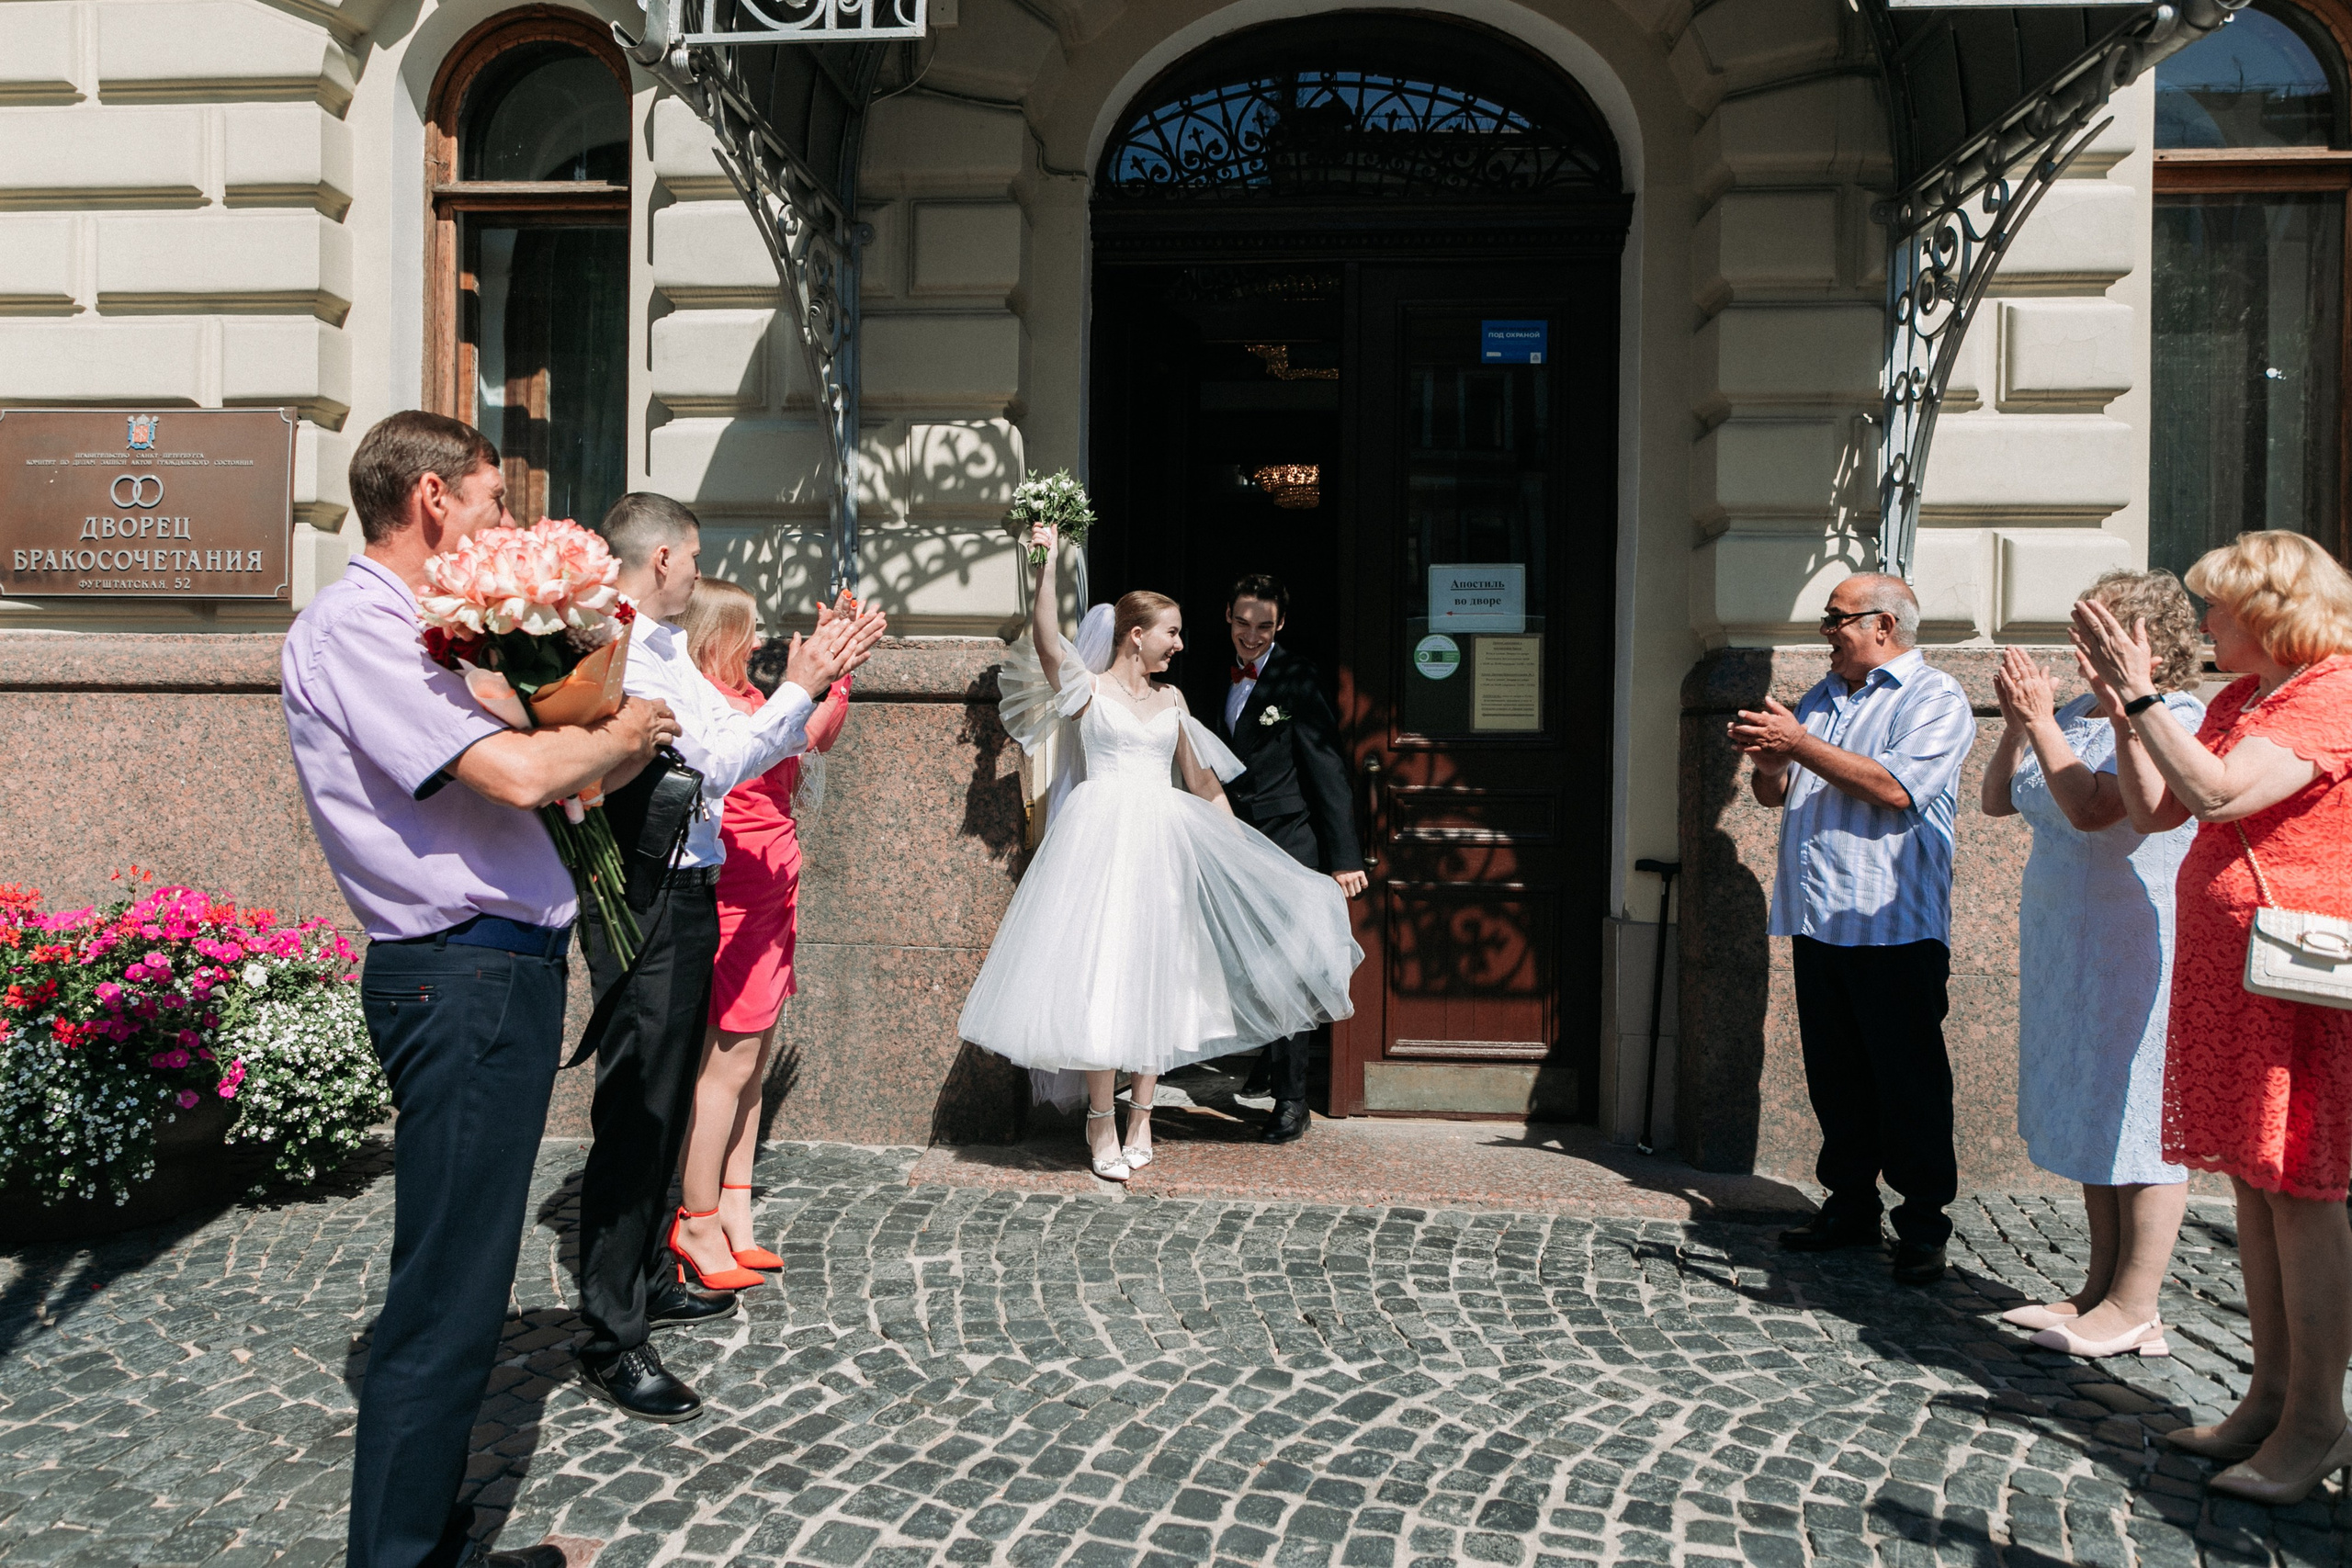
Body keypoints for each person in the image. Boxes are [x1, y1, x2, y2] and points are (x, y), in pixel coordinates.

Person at [284, 412, 681, 1568]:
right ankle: (401, 1556)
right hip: (457, 970)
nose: (507, 521)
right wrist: (627, 733)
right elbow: (513, 774)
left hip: (489, 967)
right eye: (493, 500)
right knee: (449, 1290)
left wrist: (591, 721)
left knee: (469, 1273)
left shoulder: (429, 630)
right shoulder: (357, 627)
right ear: (431, 501)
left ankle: (431, 1533)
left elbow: (530, 750)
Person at [573, 494, 885, 1424]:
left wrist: (815, 683)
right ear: (663, 559)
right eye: (696, 557)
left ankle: (646, 1279)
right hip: (646, 891)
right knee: (638, 1107)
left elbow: (748, 748)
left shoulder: (667, 647)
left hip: (690, 887)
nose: (700, 574)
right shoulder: (621, 648)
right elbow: (710, 763)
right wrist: (801, 682)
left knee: (666, 1100)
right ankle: (610, 1335)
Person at [2075, 530, 2352, 1505]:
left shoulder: (2331, 692)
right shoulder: (2246, 698)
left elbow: (2221, 795)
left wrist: (2143, 696)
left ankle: (2316, 1421)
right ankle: (2268, 1397)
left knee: (2300, 1189)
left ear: (2271, 614)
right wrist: (2125, 711)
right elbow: (2157, 809)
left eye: (2217, 606)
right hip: (2232, 979)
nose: (2203, 622)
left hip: (2295, 983)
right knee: (2251, 1184)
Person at [958, 522, 1362, 1179]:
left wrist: (1249, 857)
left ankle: (1141, 1115)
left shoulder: (1174, 699)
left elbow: (1203, 784)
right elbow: (1047, 639)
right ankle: (1100, 1119)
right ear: (1136, 635)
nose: (1180, 643)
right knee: (1104, 975)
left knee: (1160, 974)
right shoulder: (1088, 691)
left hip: (1162, 851)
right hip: (1100, 848)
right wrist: (1045, 563)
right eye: (1171, 632)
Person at [1729, 572, 1976, 1286]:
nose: (1827, 632)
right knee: (1836, 1076)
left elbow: (1896, 788)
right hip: (1819, 914)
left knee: (1907, 1079)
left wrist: (1799, 742)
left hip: (1891, 922)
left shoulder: (1934, 697)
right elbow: (1776, 792)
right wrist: (1772, 762)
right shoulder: (1823, 696)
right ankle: (1851, 1204)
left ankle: (1923, 1222)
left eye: (1836, 618)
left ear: (1884, 625)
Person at [1980, 570, 2202, 1358]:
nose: (2077, 649)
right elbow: (1997, 800)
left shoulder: (2174, 714)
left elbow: (2093, 808)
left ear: (2141, 641)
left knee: (2140, 1112)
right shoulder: (2074, 711)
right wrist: (2018, 724)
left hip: (2132, 936)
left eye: (2094, 635)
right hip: (2064, 935)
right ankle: (2098, 1288)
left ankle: (2138, 1303)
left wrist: (2042, 721)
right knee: (2091, 1102)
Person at [669, 578, 853, 1288]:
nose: (758, 642)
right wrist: (820, 680)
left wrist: (837, 673)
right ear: (716, 635)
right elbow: (786, 740)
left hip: (773, 897)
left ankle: (735, 1214)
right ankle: (696, 1218)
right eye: (747, 630)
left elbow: (810, 734)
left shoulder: (750, 698)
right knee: (727, 1068)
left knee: (750, 1072)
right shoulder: (710, 709)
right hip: (739, 901)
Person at [1199, 573, 1366, 1144]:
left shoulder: (1298, 676)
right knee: (1244, 961)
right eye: (1243, 623)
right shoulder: (1209, 674)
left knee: (1289, 968)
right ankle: (1268, 1060)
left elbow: (1326, 764)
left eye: (1264, 626)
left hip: (1290, 839)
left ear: (1281, 625)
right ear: (1227, 616)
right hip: (1229, 840)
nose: (1251, 636)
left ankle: (1292, 1101)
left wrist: (1344, 856)